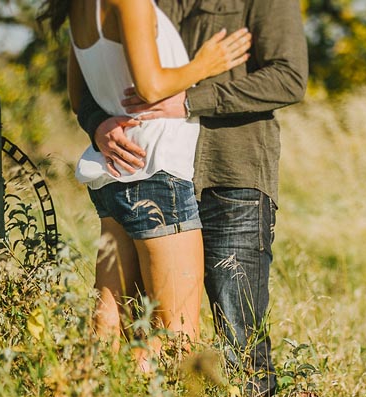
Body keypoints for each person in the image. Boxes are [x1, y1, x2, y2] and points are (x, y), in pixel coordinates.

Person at [74, 0, 308, 397]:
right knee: (141, 326)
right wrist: (97, 124)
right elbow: (99, 72)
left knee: (238, 327)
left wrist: (189, 100)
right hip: (152, 174)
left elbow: (289, 78)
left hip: (230, 175)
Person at [38, 0, 252, 369]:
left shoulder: (77, 7)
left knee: (107, 321)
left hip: (114, 175)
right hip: (155, 172)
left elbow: (78, 98)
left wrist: (101, 123)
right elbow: (151, 86)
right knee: (175, 335)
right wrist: (206, 64)